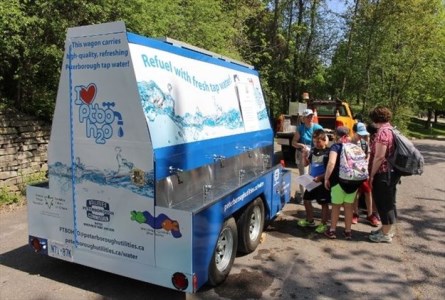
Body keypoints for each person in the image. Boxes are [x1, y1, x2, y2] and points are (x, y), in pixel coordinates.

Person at [368, 106, 401, 243]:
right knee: (389, 201)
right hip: (391, 172)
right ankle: (387, 229)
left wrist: (371, 175)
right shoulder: (391, 130)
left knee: (383, 202)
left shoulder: (382, 132)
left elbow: (380, 157)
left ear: (376, 118)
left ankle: (385, 234)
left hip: (383, 173)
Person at [324, 126, 360, 240]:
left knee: (336, 207)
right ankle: (348, 232)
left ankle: (332, 231)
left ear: (336, 136)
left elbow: (331, 163)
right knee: (348, 207)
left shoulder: (336, 146)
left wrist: (326, 178)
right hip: (353, 182)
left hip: (338, 181)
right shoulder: (354, 146)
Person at [297, 129, 331, 233]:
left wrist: (321, 177)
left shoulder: (329, 152)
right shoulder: (312, 150)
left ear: (325, 140)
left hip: (322, 182)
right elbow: (306, 164)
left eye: (319, 141)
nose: (316, 144)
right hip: (312, 181)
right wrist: (304, 156)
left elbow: (331, 170)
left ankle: (324, 224)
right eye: (315, 141)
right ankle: (310, 220)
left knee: (323, 203)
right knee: (306, 200)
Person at [351, 122, 381, 227]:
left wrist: (366, 165)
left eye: (363, 134)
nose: (361, 136)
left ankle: (370, 214)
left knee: (368, 192)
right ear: (353, 132)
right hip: (352, 172)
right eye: (359, 134)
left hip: (363, 172)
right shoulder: (348, 143)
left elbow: (367, 155)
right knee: (355, 193)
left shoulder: (364, 143)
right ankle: (355, 213)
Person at [291, 109, 323, 200]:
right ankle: (304, 196)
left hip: (314, 154)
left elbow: (325, 139)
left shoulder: (317, 127)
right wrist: (301, 145)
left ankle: (312, 194)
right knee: (304, 174)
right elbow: (293, 142)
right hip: (302, 153)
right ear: (303, 119)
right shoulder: (300, 128)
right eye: (308, 117)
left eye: (311, 116)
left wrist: (320, 146)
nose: (310, 118)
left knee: (314, 174)